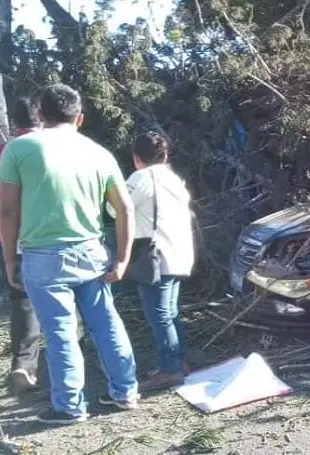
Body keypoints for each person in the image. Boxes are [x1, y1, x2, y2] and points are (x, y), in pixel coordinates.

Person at [0, 83, 139, 425]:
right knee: (106, 323)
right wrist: (122, 258)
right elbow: (125, 210)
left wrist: (10, 259)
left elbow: (7, 211)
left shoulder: (20, 149)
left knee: (60, 331)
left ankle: (70, 406)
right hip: (92, 251)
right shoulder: (99, 152)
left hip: (43, 256)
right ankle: (125, 391)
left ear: (42, 115)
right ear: (79, 118)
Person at [111, 132, 194, 391]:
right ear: (166, 154)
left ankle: (170, 370)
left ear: (137, 158)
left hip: (156, 256)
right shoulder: (174, 179)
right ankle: (178, 362)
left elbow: (116, 208)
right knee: (169, 312)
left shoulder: (141, 178)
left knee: (158, 315)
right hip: (179, 253)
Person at [2, 97, 42, 394]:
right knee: (66, 298)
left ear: (14, 123)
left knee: (22, 301)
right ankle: (62, 361)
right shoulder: (55, 147)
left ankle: (23, 364)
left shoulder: (6, 151)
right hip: (50, 235)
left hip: (12, 238)